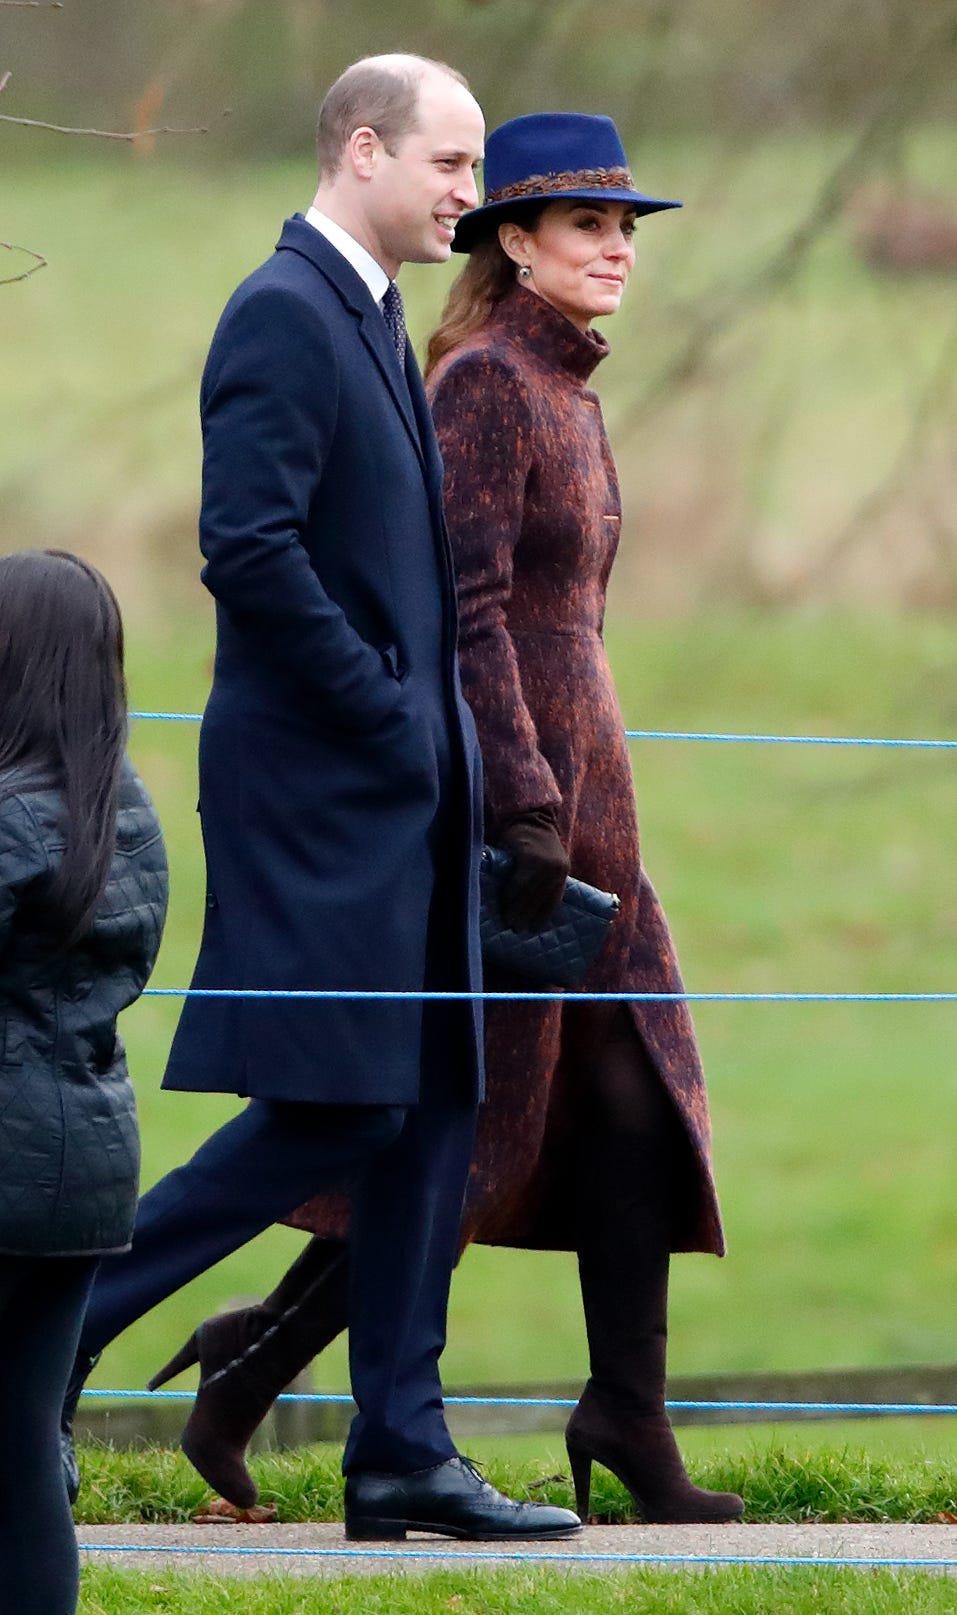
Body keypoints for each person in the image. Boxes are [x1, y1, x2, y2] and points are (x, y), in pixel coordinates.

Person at [140, 113, 745, 1527]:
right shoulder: (478, 383)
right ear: (510, 243)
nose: (613, 248)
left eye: (626, 227)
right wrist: (513, 793)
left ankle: (614, 1411)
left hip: (586, 805)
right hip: (509, 801)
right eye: (582, 223)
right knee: (459, 1117)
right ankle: (271, 1367)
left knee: (616, 1103)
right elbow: (467, 615)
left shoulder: (566, 390)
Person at [58, 60, 580, 1544]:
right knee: (344, 1098)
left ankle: (403, 1447)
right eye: (452, 159)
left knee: (436, 1101)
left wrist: (440, 749)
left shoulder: (370, 315)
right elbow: (249, 548)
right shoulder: (281, 312)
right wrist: (391, 715)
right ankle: (51, 1329)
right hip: (324, 790)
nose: (472, 192)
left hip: (398, 789)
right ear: (363, 149)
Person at [0, 550, 168, 1615]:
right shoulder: (127, 810)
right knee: (20, 1451)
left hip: (10, 1165)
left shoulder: (12, 815)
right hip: (85, 1175)